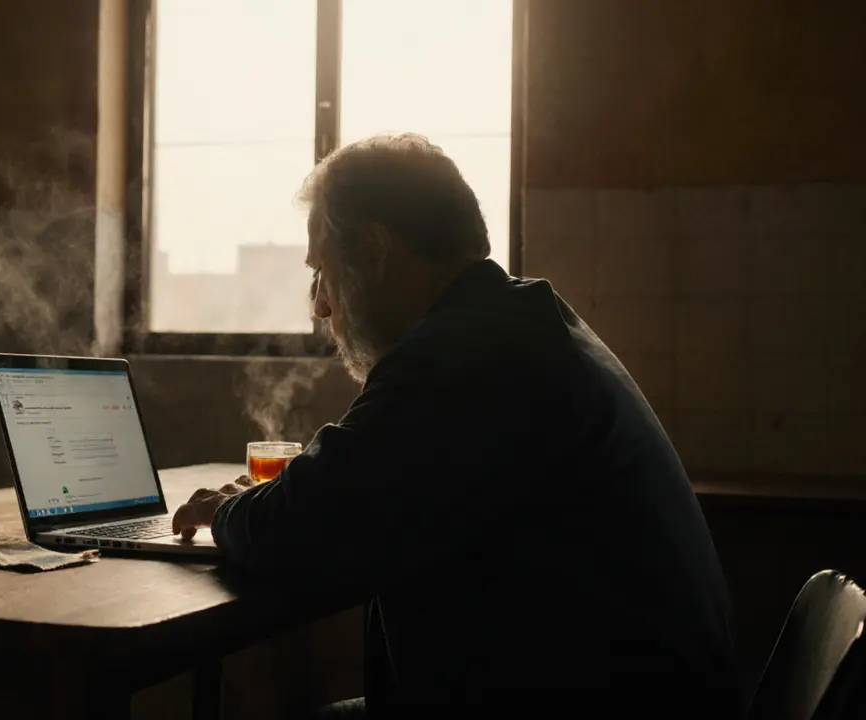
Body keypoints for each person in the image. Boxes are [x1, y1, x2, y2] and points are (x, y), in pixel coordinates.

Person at [171, 134, 740, 719]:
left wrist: (225, 511)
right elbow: (350, 492)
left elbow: (308, 524)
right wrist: (281, 500)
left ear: (371, 251)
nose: (318, 306)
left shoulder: (463, 356)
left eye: (323, 272)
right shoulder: (514, 322)